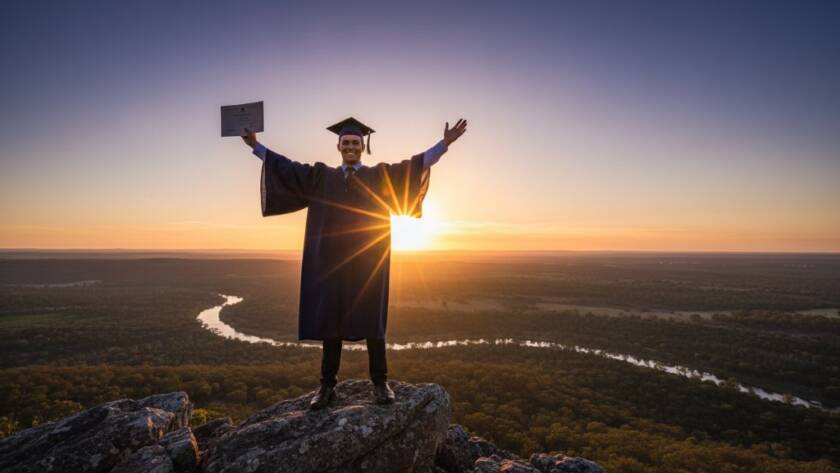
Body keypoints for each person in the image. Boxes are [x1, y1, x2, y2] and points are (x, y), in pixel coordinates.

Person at [241, 116, 467, 409]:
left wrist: (444, 144)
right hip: (331, 262)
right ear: (338, 146)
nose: (350, 147)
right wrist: (256, 146)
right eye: (346, 143)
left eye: (355, 143)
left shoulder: (378, 176)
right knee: (331, 323)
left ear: (363, 147)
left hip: (369, 261)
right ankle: (326, 387)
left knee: (372, 319)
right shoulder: (322, 178)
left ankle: (380, 382)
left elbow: (414, 165)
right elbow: (287, 167)